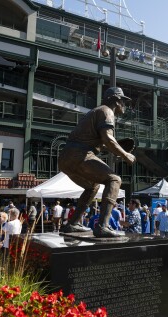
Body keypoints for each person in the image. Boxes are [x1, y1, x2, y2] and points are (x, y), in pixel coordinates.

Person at [58, 87, 136, 237]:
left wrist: (115, 148)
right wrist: (126, 155)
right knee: (114, 179)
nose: (124, 105)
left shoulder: (96, 111)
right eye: (123, 101)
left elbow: (101, 142)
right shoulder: (107, 111)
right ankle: (102, 226)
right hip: (79, 155)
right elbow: (108, 139)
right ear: (115, 100)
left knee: (92, 187)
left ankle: (72, 224)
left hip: (66, 158)